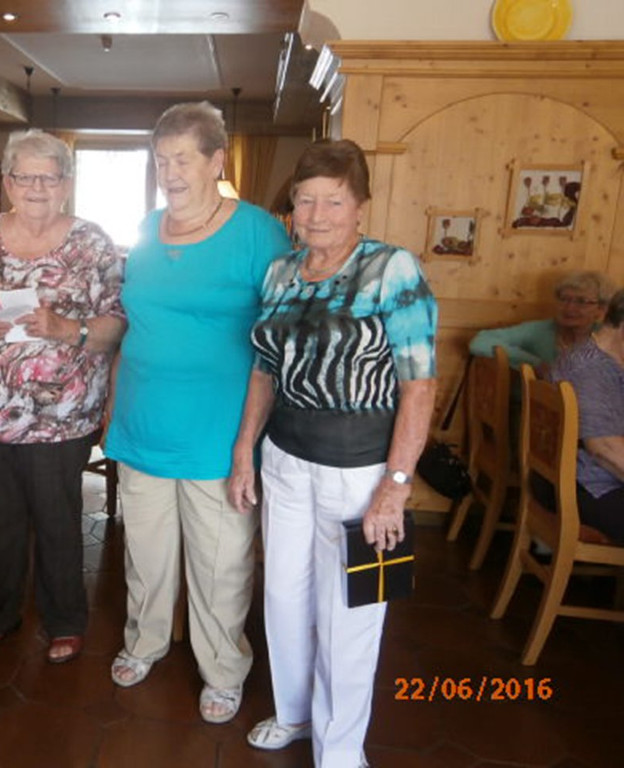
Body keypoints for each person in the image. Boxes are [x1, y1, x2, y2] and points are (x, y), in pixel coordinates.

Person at [229, 139, 437, 767]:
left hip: (362, 470)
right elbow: (264, 370)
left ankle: (341, 749)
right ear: (291, 206)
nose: (317, 215)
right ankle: (294, 714)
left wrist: (395, 487)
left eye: (334, 201)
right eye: (305, 200)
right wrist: (244, 452)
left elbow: (419, 385)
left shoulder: (392, 269)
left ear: (360, 206)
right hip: (285, 459)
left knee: (353, 611)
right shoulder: (281, 272)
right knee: (283, 597)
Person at [104, 101, 291, 724]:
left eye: (183, 159)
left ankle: (224, 668)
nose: (171, 173)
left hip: (220, 432)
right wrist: (113, 403)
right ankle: (145, 642)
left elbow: (277, 341)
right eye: (162, 160)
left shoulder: (259, 233)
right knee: (146, 555)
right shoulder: (147, 227)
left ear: (217, 160)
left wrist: (251, 442)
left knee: (221, 563)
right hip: (143, 422)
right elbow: (135, 324)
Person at [0, 129, 125, 664]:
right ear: (8, 181)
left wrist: (68, 329)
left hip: (60, 414)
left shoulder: (92, 243)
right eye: (25, 176)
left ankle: (65, 619)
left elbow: (116, 324)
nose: (37, 187)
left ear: (66, 183)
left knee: (56, 517)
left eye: (49, 177)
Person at [552, 288, 624, 544]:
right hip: (590, 488)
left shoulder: (603, 358)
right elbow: (604, 449)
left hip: (581, 479)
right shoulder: (590, 369)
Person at [469, 270, 613, 375]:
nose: (569, 308)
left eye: (581, 301)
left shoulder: (608, 337)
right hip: (533, 406)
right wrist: (535, 364)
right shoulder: (540, 330)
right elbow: (480, 341)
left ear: (601, 309)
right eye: (564, 299)